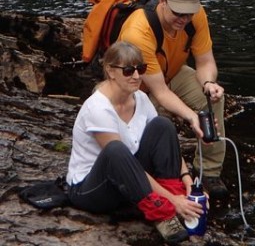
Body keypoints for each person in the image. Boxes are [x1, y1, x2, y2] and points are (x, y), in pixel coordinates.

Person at [66, 41, 204, 245]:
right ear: (111, 71)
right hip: (92, 189)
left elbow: (163, 144)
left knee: (163, 125)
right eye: (129, 71)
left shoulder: (140, 98)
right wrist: (175, 202)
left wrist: (187, 182)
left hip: (127, 181)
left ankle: (172, 198)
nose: (137, 76)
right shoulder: (98, 108)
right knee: (116, 149)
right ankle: (162, 213)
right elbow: (126, 162)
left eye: (141, 69)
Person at [118, 0, 228, 200]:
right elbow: (159, 92)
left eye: (189, 13)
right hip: (139, 86)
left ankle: (209, 171)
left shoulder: (196, 17)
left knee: (213, 99)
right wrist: (192, 117)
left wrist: (208, 83)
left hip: (173, 71)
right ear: (163, 1)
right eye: (178, 12)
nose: (184, 19)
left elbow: (205, 61)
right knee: (159, 119)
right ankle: (164, 174)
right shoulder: (138, 31)